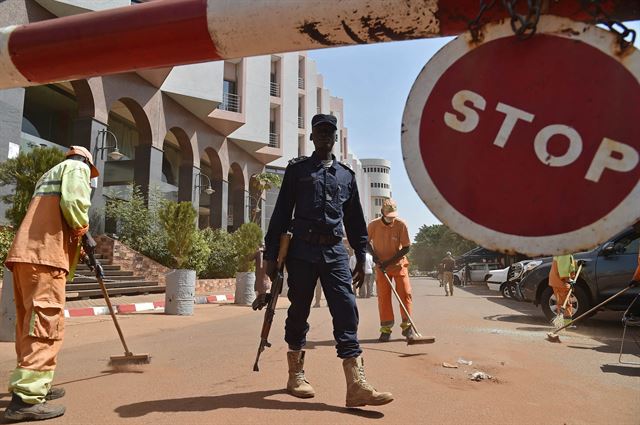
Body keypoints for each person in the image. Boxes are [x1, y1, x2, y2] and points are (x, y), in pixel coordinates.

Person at [253, 114, 393, 407]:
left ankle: (356, 385)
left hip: (334, 253)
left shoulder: (346, 176)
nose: (325, 136)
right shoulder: (297, 171)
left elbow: (355, 221)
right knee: (299, 310)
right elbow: (280, 215)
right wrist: (270, 258)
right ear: (313, 137)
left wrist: (360, 256)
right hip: (301, 252)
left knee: (346, 309)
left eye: (330, 132)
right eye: (320, 132)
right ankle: (296, 375)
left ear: (335, 139)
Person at [3, 146, 98, 422]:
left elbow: (53, 215)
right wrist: (86, 236)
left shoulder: (49, 174)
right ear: (87, 163)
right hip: (46, 258)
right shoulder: (77, 168)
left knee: (28, 325)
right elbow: (75, 207)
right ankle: (26, 401)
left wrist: (79, 248)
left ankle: (35, 386)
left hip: (26, 256)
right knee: (45, 327)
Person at [367, 199, 414, 342]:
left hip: (398, 266)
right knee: (383, 298)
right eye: (388, 216)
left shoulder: (401, 225)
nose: (391, 218)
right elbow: (365, 242)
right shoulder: (373, 225)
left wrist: (389, 261)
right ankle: (386, 330)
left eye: (393, 216)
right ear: (382, 212)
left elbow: (406, 247)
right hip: (382, 268)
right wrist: (375, 257)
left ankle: (407, 328)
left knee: (405, 294)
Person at [548, 254, 577, 326]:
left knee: (563, 303)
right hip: (561, 282)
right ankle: (566, 324)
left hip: (558, 281)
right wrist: (568, 280)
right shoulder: (565, 253)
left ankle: (564, 324)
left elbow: (568, 265)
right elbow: (563, 270)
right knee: (565, 303)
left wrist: (576, 264)